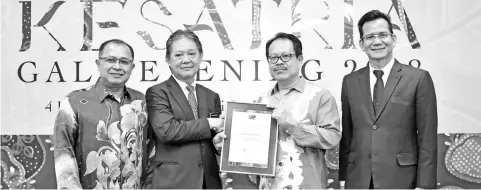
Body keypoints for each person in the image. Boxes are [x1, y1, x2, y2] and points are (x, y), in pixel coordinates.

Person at [339, 10, 438, 189]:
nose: (377, 41)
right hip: (358, 180)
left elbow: (427, 138)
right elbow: (348, 135)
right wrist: (344, 177)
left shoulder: (418, 78)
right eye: (370, 37)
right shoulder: (350, 81)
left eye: (383, 35)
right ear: (361, 43)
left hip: (402, 179)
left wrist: (425, 185)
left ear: (393, 39)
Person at [53, 39, 149, 189]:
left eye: (124, 61)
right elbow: (63, 154)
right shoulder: (74, 102)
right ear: (98, 64)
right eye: (110, 60)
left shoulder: (141, 101)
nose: (117, 66)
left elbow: (150, 150)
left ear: (132, 67)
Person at [255, 32, 341, 189]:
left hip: (307, 184)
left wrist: (289, 123)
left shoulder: (320, 96)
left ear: (300, 59)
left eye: (286, 56)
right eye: (273, 58)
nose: (278, 62)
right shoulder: (262, 101)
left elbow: (332, 137)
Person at [145, 29, 225, 189]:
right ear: (168, 59)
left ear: (201, 56)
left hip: (208, 183)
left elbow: (212, 138)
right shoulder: (157, 92)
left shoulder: (211, 96)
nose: (186, 60)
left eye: (191, 54)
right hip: (174, 182)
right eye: (179, 55)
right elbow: (167, 131)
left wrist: (218, 143)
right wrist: (209, 123)